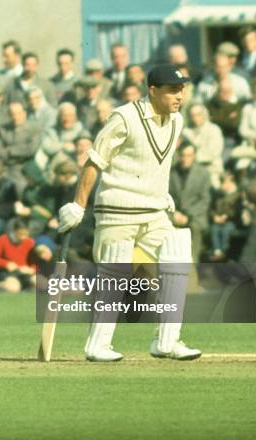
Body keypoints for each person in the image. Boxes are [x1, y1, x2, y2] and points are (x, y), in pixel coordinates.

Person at [58, 65, 201, 362]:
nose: (180, 95)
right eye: (173, 90)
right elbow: (94, 160)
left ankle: (167, 341)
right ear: (153, 90)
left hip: (154, 211)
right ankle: (97, 345)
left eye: (182, 89)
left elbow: (157, 162)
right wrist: (78, 204)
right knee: (116, 274)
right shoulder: (124, 117)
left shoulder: (178, 120)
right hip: (117, 209)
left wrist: (163, 193)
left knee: (176, 257)